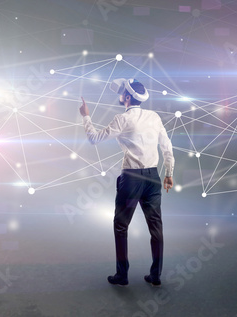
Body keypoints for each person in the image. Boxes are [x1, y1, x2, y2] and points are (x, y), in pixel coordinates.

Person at [79, 78, 175, 287]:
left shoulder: (122, 119)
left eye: (122, 92)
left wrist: (86, 116)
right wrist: (169, 173)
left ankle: (122, 276)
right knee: (156, 228)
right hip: (153, 178)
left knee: (121, 226)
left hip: (131, 179)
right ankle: (156, 275)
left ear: (128, 97)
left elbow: (94, 138)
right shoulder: (154, 116)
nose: (120, 94)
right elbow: (167, 146)